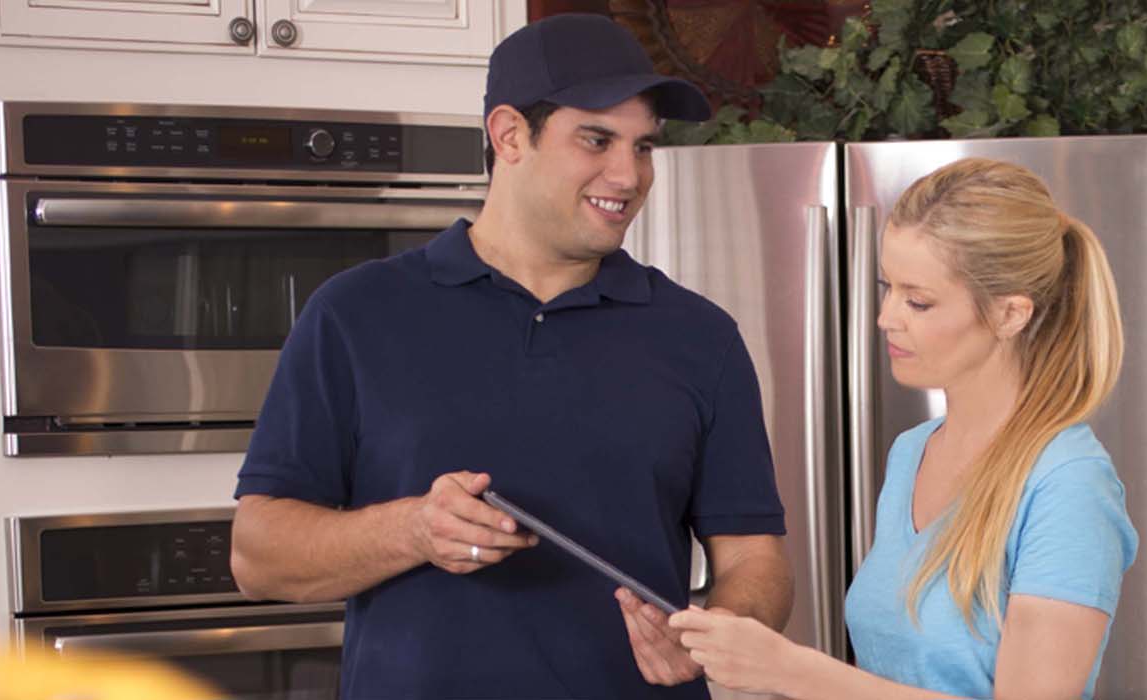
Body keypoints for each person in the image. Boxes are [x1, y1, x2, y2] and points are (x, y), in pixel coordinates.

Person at [227, 14, 794, 699]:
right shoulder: (355, 313)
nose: (630, 174)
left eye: (644, 147)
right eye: (597, 139)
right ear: (508, 135)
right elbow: (257, 555)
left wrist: (720, 628)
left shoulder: (701, 336)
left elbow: (755, 558)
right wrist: (413, 530)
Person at [668, 158, 1137, 699]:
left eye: (918, 301)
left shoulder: (1068, 483)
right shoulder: (913, 452)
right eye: (887, 287)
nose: (887, 316)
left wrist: (793, 672)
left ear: (1011, 314)